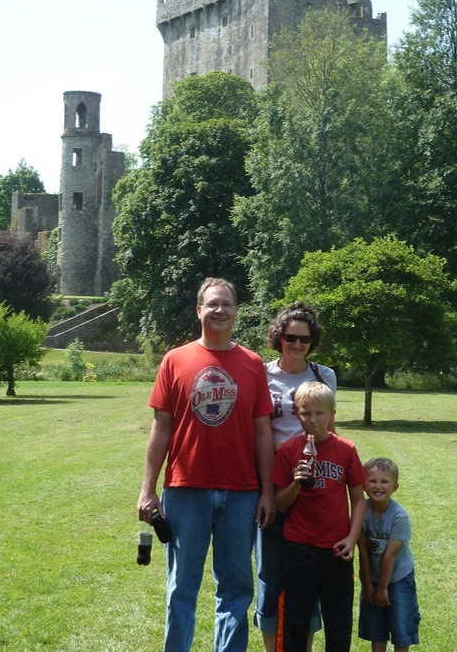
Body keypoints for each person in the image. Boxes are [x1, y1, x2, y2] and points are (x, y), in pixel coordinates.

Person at [137, 277, 276, 652]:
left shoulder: (252, 363)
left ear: (236, 311)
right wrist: (148, 488)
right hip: (185, 491)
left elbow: (262, 432)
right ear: (199, 310)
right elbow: (161, 428)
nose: (220, 310)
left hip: (242, 493)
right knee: (181, 587)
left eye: (227, 304)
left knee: (235, 591)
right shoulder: (175, 360)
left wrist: (267, 491)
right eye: (212, 304)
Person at [254, 302, 337, 652]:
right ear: (279, 337)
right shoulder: (261, 373)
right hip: (273, 482)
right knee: (270, 571)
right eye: (290, 337)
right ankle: (273, 646)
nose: (297, 344)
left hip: (313, 486)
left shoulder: (324, 376)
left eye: (304, 339)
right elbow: (257, 430)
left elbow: (330, 429)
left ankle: (302, 645)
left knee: (311, 572)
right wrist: (267, 491)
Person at [270, 381, 366, 652]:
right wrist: (297, 483)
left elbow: (358, 499)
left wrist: (352, 537)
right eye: (305, 413)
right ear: (297, 414)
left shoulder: (345, 449)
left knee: (338, 619)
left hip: (336, 548)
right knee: (295, 620)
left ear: (332, 414)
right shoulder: (289, 450)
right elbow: (280, 503)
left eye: (319, 413)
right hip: (299, 546)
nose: (312, 420)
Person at [358, 458, 421, 652]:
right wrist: (368, 584)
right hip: (373, 577)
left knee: (401, 627)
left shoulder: (399, 516)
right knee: (376, 627)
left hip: (398, 578)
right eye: (372, 481)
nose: (378, 486)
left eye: (384, 482)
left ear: (395, 487)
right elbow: (363, 550)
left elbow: (389, 556)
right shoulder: (361, 512)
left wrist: (383, 588)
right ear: (363, 485)